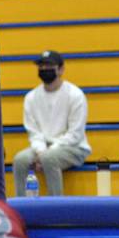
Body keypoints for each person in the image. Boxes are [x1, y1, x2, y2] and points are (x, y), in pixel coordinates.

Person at [12, 50, 91, 197]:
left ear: (61, 69)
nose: (44, 70)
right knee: (20, 160)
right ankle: (21, 208)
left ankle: (56, 210)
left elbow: (75, 134)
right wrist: (41, 150)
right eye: (41, 66)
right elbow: (33, 132)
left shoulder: (75, 95)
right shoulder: (31, 97)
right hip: (43, 148)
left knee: (49, 158)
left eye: (49, 66)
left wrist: (47, 153)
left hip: (74, 148)